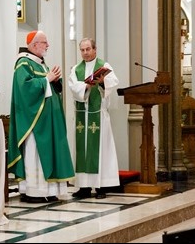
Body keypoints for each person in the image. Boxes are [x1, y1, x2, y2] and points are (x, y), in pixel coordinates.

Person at [7, 30, 75, 203]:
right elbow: (25, 89)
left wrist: (54, 81)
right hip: (35, 123)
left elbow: (49, 88)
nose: (48, 45)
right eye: (45, 42)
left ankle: (49, 190)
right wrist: (47, 79)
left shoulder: (41, 64)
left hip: (48, 121)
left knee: (48, 152)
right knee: (35, 153)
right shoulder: (23, 63)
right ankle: (34, 191)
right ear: (34, 44)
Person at [68, 38, 120, 199]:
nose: (85, 52)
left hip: (98, 115)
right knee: (82, 150)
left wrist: (103, 82)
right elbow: (73, 87)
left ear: (95, 49)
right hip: (82, 117)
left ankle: (101, 187)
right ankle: (83, 187)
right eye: (82, 50)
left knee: (101, 150)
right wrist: (87, 86)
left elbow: (113, 83)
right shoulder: (76, 69)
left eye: (88, 49)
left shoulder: (104, 66)